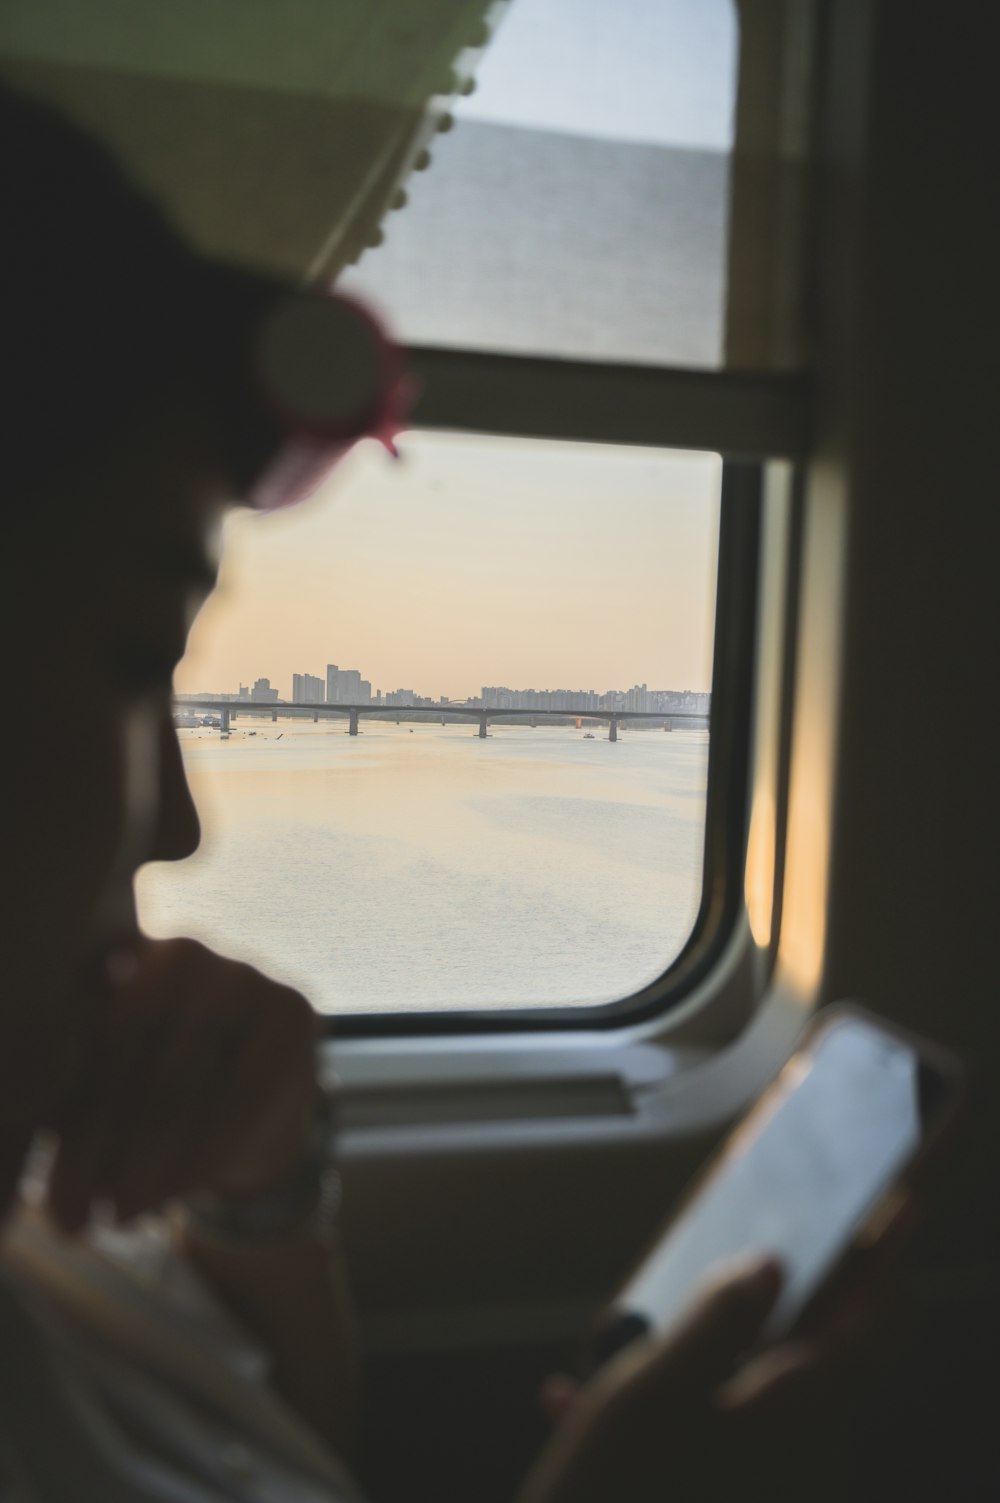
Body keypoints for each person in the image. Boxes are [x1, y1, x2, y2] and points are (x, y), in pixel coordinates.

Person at [0, 87, 880, 1502]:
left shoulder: (52, 1251)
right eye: (127, 659)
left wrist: (262, 1194)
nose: (181, 826)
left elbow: (281, 1462)